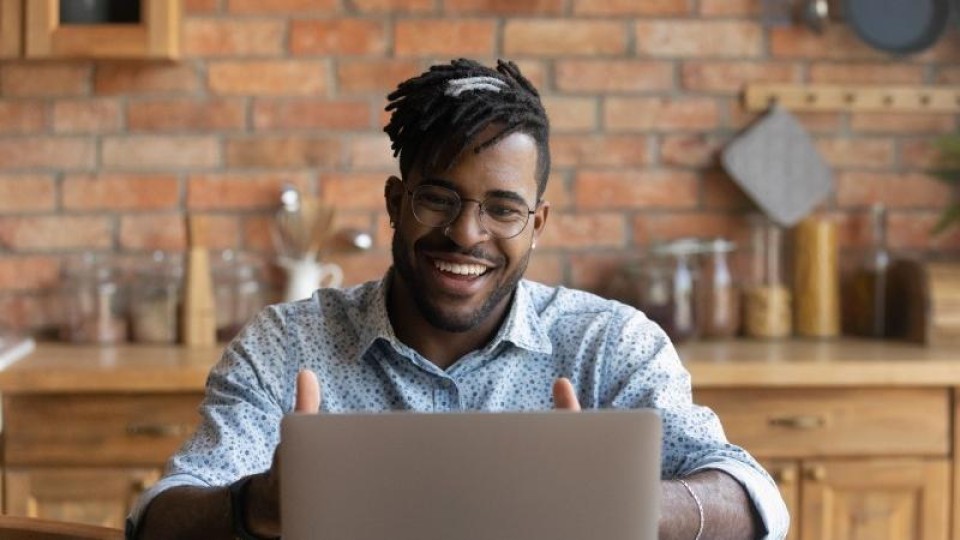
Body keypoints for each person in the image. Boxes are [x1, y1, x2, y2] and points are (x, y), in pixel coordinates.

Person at [128, 58, 789, 540]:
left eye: (503, 208)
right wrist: (260, 505)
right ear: (396, 202)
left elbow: (756, 502)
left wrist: (630, 507)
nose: (467, 233)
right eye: (439, 198)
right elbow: (157, 517)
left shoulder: (608, 344)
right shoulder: (286, 344)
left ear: (538, 223)